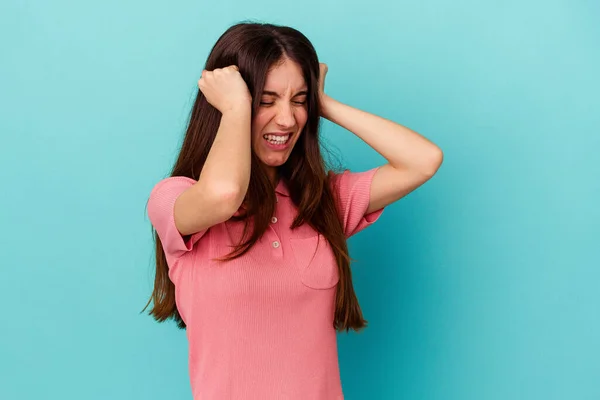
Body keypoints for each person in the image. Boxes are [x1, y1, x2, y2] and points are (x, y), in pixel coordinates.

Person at [144, 21, 443, 400]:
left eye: (298, 101)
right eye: (266, 101)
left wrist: (323, 103)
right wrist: (237, 108)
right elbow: (223, 194)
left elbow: (423, 161)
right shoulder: (175, 199)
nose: (287, 119)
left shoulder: (322, 202)